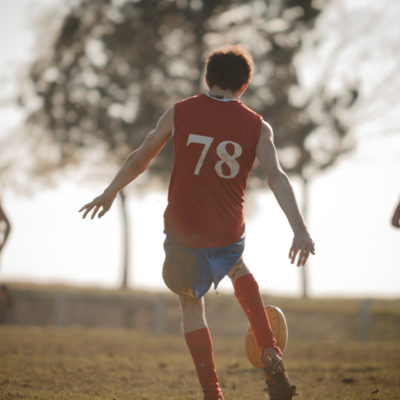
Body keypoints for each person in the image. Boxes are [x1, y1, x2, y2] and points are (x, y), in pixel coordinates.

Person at [80, 46, 315, 400]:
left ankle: (213, 393)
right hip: (227, 228)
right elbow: (277, 177)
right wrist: (299, 228)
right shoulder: (257, 125)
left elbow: (140, 157)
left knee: (191, 305)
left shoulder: (179, 112)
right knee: (236, 265)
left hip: (183, 229)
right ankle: (269, 349)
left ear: (208, 78)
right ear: (245, 85)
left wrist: (110, 192)